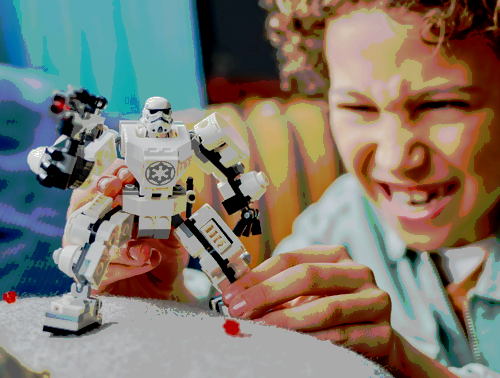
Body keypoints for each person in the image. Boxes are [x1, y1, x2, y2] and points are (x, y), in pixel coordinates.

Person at [67, 0, 500, 377]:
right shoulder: (343, 221)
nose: (394, 159)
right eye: (357, 107)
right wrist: (163, 306)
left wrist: (410, 368)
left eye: (443, 104)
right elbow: (251, 337)